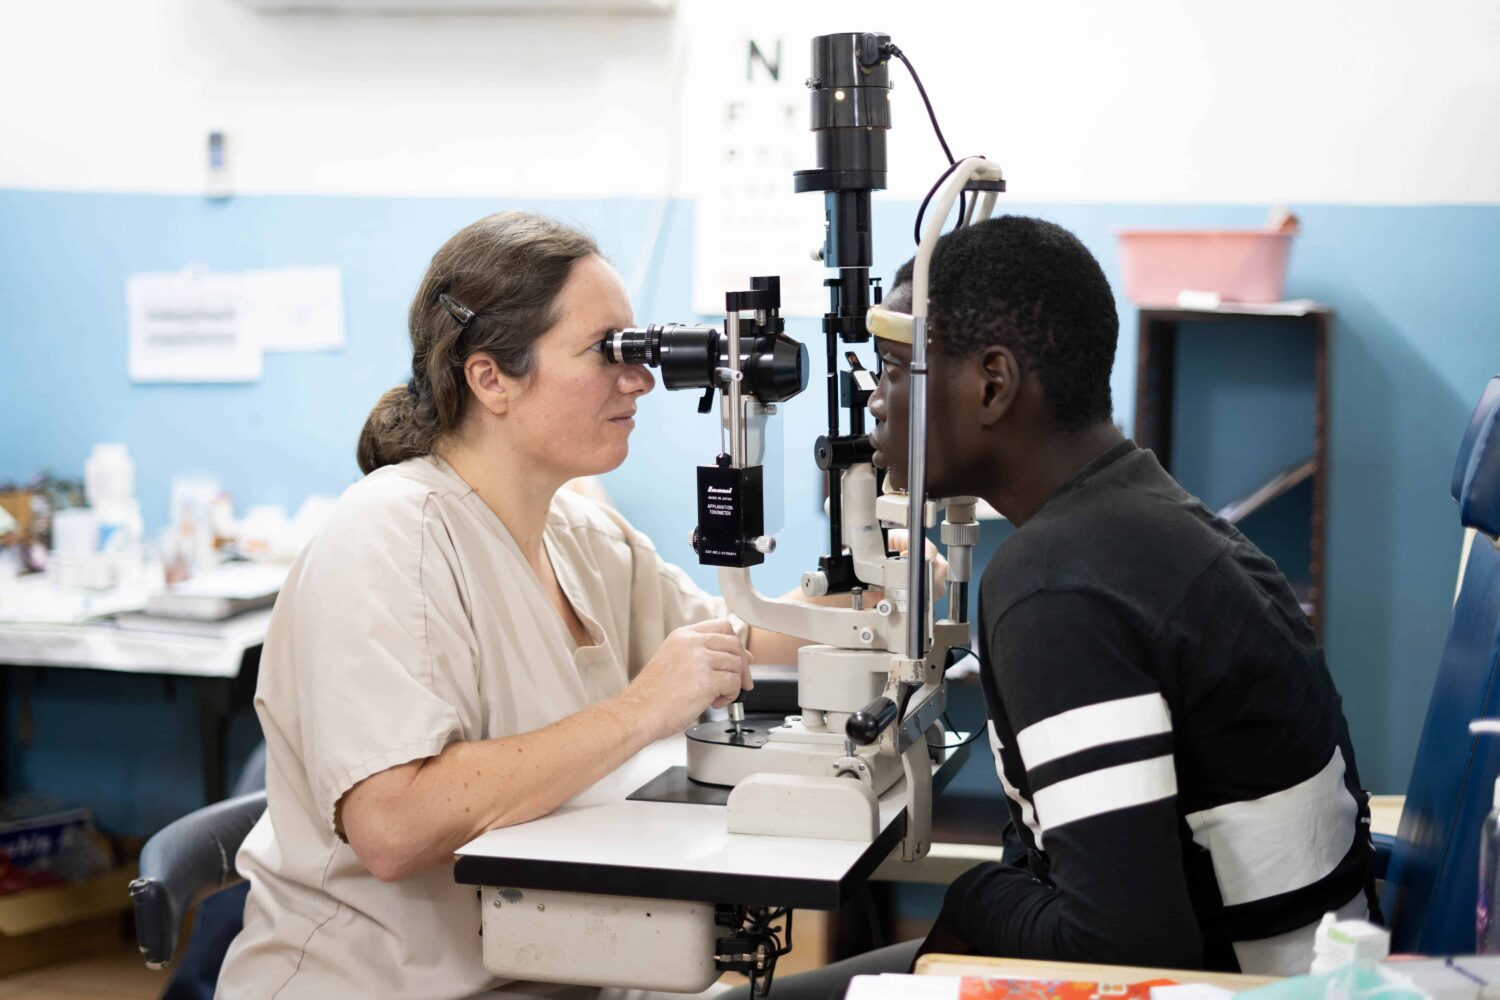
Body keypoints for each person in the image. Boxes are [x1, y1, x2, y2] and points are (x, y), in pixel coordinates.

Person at [724, 216, 1376, 997]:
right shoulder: (1142, 512)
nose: (875, 401)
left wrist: (972, 896)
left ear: (991, 385)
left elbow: (1124, 946)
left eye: (896, 370)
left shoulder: (1057, 587)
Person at [216, 211, 818, 999]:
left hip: (558, 967)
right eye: (608, 353)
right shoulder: (387, 537)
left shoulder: (576, 530)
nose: (639, 379)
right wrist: (640, 709)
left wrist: (848, 595)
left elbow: (727, 638)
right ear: (491, 377)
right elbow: (393, 826)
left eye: (637, 349)